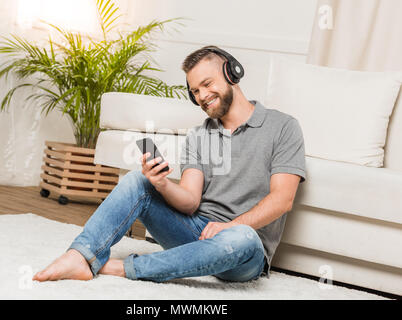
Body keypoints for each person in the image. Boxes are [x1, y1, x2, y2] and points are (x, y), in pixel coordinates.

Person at [33, 46, 306, 283]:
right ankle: (80, 255)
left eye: (208, 84)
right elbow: (189, 201)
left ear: (232, 73)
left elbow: (282, 199)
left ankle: (122, 268)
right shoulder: (199, 135)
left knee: (242, 237)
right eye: (195, 91)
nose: (202, 96)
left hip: (243, 249)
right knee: (136, 180)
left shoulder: (283, 127)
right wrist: (161, 184)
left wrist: (230, 226)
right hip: (196, 232)